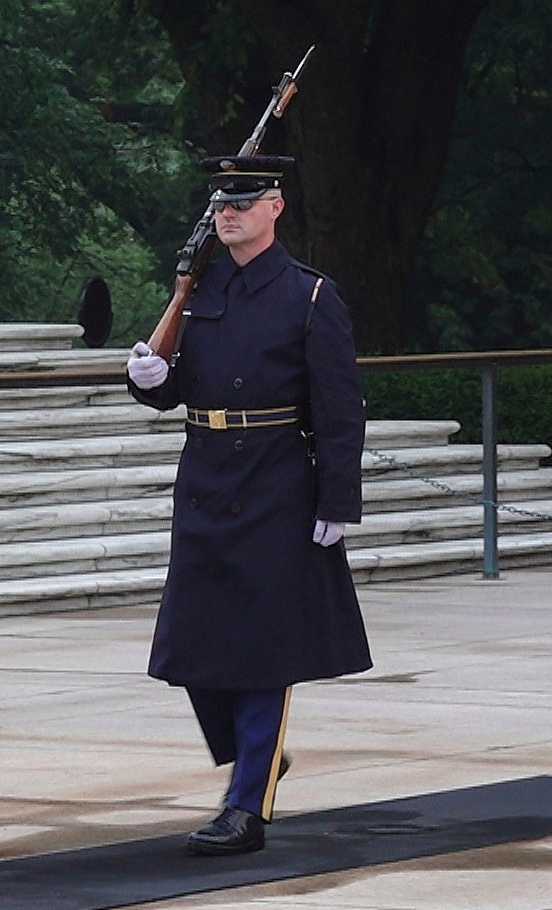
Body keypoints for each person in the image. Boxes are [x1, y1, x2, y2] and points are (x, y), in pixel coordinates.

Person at [125, 155, 372, 856]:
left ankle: (246, 807)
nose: (228, 212)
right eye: (221, 203)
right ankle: (254, 753)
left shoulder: (310, 296)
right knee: (192, 645)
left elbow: (339, 408)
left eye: (243, 200)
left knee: (265, 651)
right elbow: (173, 386)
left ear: (275, 208)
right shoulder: (200, 289)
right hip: (205, 479)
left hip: (275, 485)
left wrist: (337, 499)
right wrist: (148, 378)